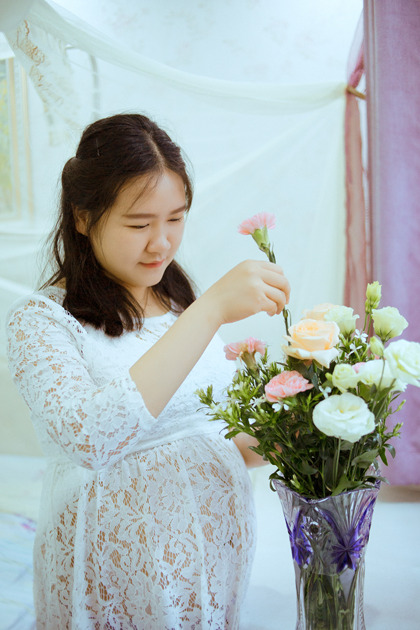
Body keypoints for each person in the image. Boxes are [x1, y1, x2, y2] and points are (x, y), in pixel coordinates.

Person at [6, 113, 290, 630]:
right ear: (83, 218)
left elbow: (209, 433)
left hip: (211, 568)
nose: (161, 243)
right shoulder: (41, 322)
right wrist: (212, 311)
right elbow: (92, 438)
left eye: (175, 219)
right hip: (110, 576)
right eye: (139, 224)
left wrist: (299, 430)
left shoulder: (178, 303)